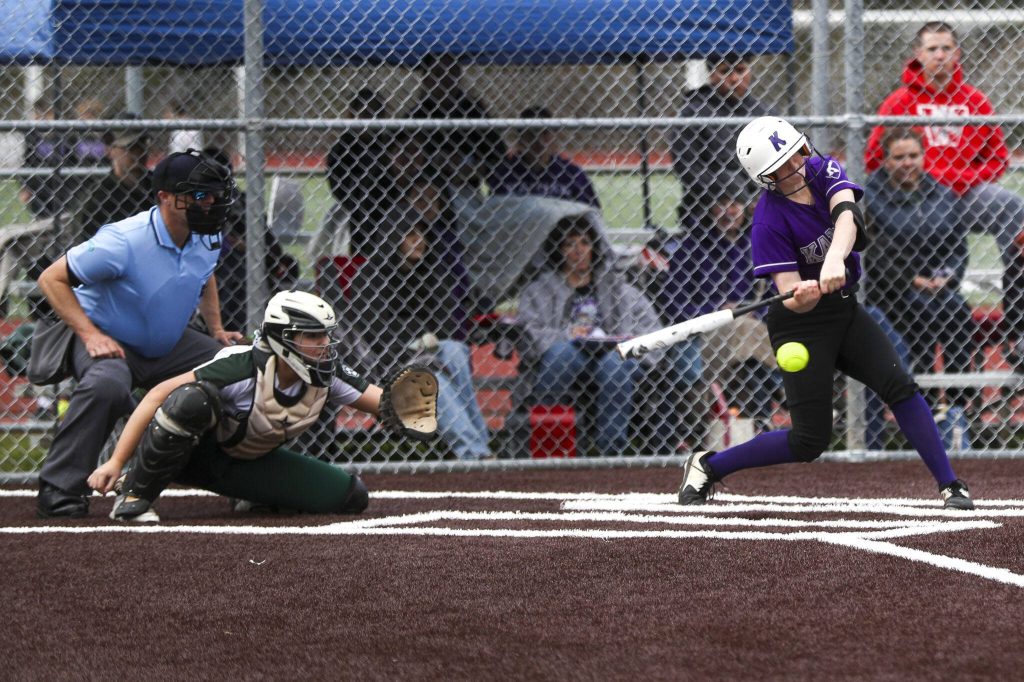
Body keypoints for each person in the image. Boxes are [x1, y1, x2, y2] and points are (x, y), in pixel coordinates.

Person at [676, 116, 974, 510]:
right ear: (764, 178)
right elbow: (788, 294)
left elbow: (847, 214)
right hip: (799, 326)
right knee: (808, 441)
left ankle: (950, 484)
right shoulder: (767, 222)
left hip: (845, 311)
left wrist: (834, 259)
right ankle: (708, 465)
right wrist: (804, 293)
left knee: (899, 386)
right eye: (780, 166)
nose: (794, 165)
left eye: (794, 153)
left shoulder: (821, 169)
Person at [33, 149, 244, 518]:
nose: (209, 203)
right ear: (164, 197)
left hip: (168, 343)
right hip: (110, 337)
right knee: (107, 384)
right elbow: (51, 278)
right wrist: (89, 334)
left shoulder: (205, 235)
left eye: (213, 194)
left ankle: (245, 482)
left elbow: (205, 274)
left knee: (237, 369)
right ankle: (60, 488)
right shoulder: (125, 240)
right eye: (197, 195)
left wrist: (216, 330)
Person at [86, 291, 383, 522]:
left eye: (326, 333)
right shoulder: (241, 367)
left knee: (350, 497)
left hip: (246, 462)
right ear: (285, 338)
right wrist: (116, 461)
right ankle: (134, 495)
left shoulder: (326, 373)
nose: (326, 342)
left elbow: (385, 404)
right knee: (192, 400)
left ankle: (252, 494)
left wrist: (412, 412)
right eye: (315, 335)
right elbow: (156, 396)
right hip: (191, 453)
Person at [864, 21, 1024, 343]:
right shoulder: (899, 102)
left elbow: (998, 160)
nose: (939, 55)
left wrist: (960, 180)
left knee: (1010, 207)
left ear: (957, 54)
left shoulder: (975, 101)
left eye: (946, 48)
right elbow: (872, 160)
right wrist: (926, 180)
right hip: (914, 202)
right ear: (918, 55)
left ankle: (1018, 323)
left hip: (964, 198)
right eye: (932, 49)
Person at [349, 205, 491, 460]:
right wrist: (418, 341)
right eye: (410, 235)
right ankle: (475, 452)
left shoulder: (433, 272)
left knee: (457, 351)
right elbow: (376, 335)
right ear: (394, 237)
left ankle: (480, 446)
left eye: (422, 235)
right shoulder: (369, 276)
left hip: (431, 352)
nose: (419, 241)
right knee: (437, 381)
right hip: (391, 362)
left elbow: (446, 326)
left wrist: (425, 343)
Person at [517, 214, 665, 457]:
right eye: (569, 244)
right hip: (568, 352)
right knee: (562, 354)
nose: (578, 251)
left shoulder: (617, 287)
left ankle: (610, 452)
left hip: (613, 352)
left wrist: (626, 341)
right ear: (558, 250)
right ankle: (551, 442)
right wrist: (567, 335)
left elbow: (650, 329)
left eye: (585, 243)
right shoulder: (539, 290)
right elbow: (530, 332)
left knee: (614, 362)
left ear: (595, 247)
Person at [660, 181, 781, 446]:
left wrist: (747, 312)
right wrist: (715, 312)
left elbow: (773, 296)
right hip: (704, 336)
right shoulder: (690, 250)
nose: (729, 211)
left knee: (749, 337)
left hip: (749, 336)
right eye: (722, 204)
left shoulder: (755, 244)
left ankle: (760, 422)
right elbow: (673, 306)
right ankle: (781, 398)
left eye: (736, 204)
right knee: (746, 331)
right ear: (709, 209)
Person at [670, 52, 770, 227]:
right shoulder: (693, 112)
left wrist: (753, 201)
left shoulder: (763, 113)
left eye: (740, 70)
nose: (734, 79)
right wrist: (726, 199)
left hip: (756, 207)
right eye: (725, 72)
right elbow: (687, 167)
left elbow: (777, 163)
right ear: (711, 76)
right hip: (706, 208)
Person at [406, 54, 506, 193]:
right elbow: (404, 158)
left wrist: (471, 167)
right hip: (428, 191)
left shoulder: (473, 112)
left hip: (468, 189)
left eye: (452, 73)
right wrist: (436, 161)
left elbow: (497, 154)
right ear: (426, 79)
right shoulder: (417, 115)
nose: (445, 80)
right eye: (438, 73)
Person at [488, 106, 600, 208]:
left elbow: (592, 214)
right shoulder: (505, 174)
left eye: (545, 133)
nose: (539, 141)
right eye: (531, 134)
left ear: (554, 136)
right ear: (521, 138)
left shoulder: (572, 174)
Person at [68, 116, 154, 247]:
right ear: (109, 151)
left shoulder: (160, 186)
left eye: (142, 145)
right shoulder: (97, 200)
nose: (138, 153)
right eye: (130, 148)